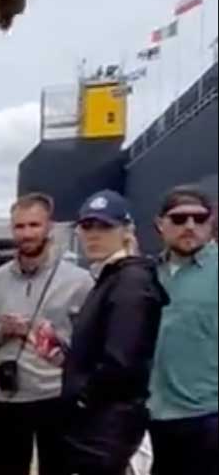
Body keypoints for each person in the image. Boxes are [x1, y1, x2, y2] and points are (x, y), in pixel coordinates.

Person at [0, 192, 94, 475]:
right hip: (6, 397)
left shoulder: (79, 281)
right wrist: (2, 330)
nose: (26, 233)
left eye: (34, 225)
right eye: (20, 226)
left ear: (49, 227)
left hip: (57, 397)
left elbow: (90, 344)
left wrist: (54, 339)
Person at [60, 189, 168, 475]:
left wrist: (82, 395)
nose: (94, 235)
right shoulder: (113, 276)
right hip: (100, 428)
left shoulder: (130, 281)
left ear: (127, 230)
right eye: (87, 226)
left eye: (105, 226)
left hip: (111, 431)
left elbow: (122, 361)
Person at [147, 186, 217, 475]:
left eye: (198, 219)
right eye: (179, 219)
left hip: (208, 418)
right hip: (153, 419)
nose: (190, 226)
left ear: (210, 223)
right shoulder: (147, 273)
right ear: (159, 225)